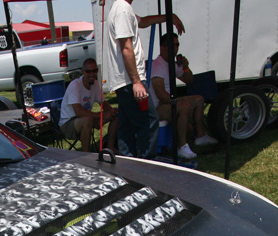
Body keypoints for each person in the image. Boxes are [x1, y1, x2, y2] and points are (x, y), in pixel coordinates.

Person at [104, 0, 184, 158]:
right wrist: (136, 82)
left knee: (127, 127)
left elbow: (143, 22)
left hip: (124, 82)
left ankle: (128, 164)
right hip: (130, 81)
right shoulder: (123, 9)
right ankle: (146, 165)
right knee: (149, 122)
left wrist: (169, 16)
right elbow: (126, 47)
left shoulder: (122, 9)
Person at [151, 32, 217, 160]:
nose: (175, 48)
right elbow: (161, 95)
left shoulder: (171, 63)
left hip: (166, 102)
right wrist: (177, 102)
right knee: (184, 106)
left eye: (177, 45)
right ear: (162, 48)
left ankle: (200, 136)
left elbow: (189, 80)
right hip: (157, 107)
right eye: (172, 45)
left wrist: (186, 68)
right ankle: (182, 146)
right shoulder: (157, 66)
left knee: (199, 99)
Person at [58, 58, 118, 152]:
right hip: (68, 124)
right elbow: (78, 112)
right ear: (83, 72)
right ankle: (86, 155)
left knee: (116, 115)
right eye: (88, 71)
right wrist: (102, 115)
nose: (91, 74)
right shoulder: (75, 85)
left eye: (94, 71)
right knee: (88, 119)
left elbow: (104, 104)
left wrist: (111, 111)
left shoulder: (95, 84)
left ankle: (110, 147)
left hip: (86, 119)